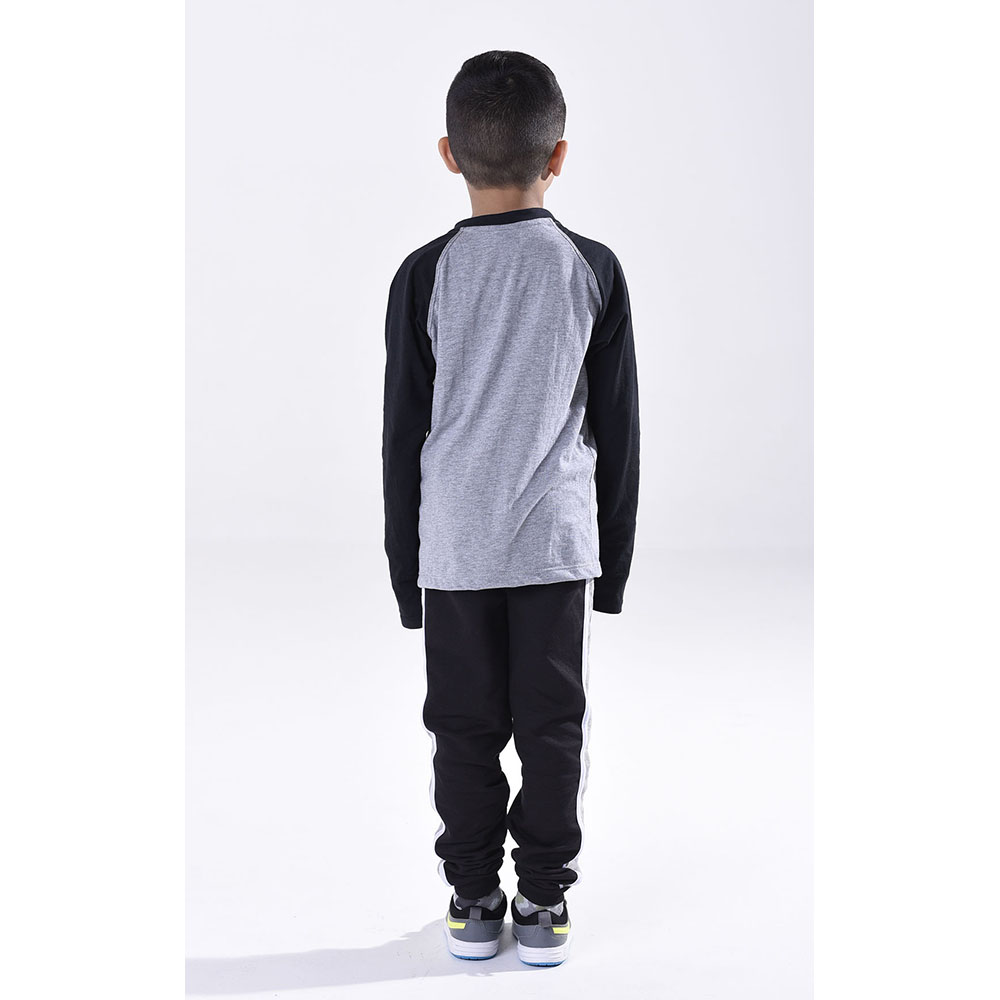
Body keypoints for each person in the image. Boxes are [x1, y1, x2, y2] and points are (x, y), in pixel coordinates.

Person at [381, 49, 640, 967]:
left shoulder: (426, 274)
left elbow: (401, 433)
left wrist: (405, 574)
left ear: (449, 154)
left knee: (461, 726)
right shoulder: (591, 267)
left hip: (453, 549)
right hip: (554, 549)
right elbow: (619, 427)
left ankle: (472, 899)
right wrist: (613, 566)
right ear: (558, 155)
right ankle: (543, 903)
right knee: (551, 725)